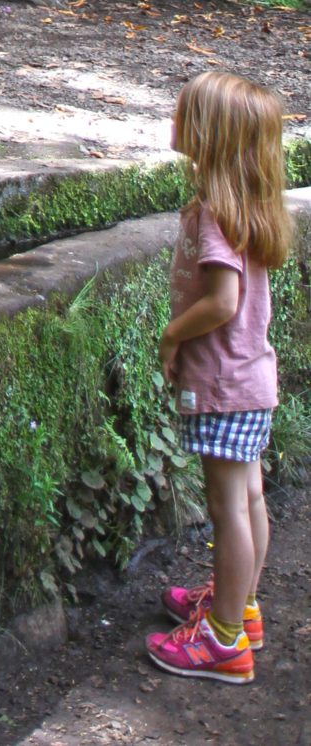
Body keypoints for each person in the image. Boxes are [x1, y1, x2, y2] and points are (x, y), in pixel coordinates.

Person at [147, 69, 291, 685]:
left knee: (228, 506)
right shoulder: (246, 206)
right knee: (250, 497)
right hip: (250, 380)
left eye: (183, 114)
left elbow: (223, 301)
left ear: (209, 135)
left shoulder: (214, 213)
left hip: (222, 386)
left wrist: (171, 334)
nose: (173, 121)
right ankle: (242, 607)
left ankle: (225, 641)